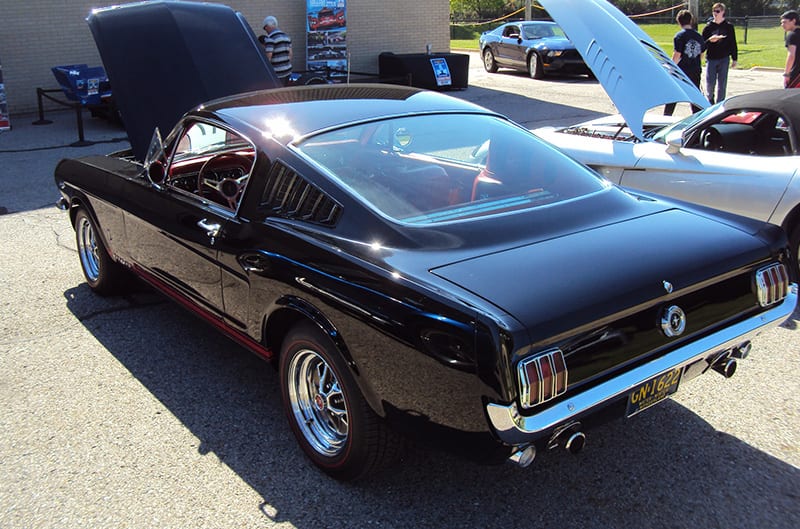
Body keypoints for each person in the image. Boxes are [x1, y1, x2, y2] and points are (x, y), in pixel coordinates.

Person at [664, 10, 705, 116]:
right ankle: (698, 117)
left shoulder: (679, 36)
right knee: (694, 96)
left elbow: (677, 54)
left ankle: (667, 116)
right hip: (695, 69)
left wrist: (671, 67)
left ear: (679, 22)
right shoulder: (698, 36)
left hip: (682, 71)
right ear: (690, 21)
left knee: (673, 95)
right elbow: (701, 55)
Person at [702, 3, 738, 104]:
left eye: (717, 11)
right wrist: (710, 40)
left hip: (724, 58)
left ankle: (720, 104)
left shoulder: (729, 27)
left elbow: (732, 43)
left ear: (723, 12)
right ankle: (710, 102)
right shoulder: (708, 28)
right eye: (714, 11)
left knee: (722, 84)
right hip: (711, 58)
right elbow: (702, 45)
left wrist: (735, 58)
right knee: (710, 83)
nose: (715, 14)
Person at [260, 16, 292, 85]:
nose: (265, 30)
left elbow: (268, 58)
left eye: (265, 28)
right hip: (288, 71)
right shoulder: (286, 36)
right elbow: (290, 54)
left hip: (277, 74)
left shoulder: (270, 39)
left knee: (277, 94)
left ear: (267, 26)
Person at [780, 10, 800, 88]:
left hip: (796, 74)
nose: (782, 25)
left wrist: (787, 73)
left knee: (790, 96)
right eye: (781, 23)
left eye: (784, 22)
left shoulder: (792, 35)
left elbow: (791, 56)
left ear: (793, 21)